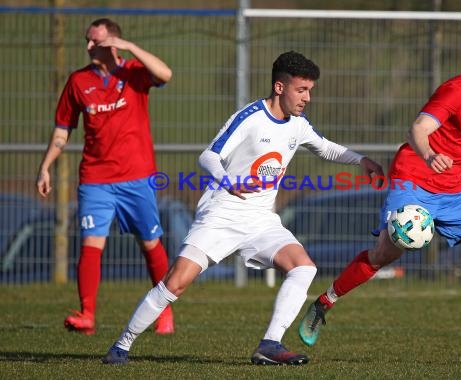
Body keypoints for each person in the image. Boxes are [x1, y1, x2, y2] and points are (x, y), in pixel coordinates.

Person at [101, 51, 384, 365]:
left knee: (304, 267)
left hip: (260, 220)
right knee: (176, 282)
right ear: (280, 87)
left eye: (310, 91)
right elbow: (208, 156)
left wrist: (361, 160)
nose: (307, 98)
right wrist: (226, 182)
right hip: (222, 213)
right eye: (301, 90)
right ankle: (120, 347)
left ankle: (271, 344)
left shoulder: (298, 124)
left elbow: (325, 147)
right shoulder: (250, 117)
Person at [298, 38, 461, 366]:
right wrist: (429, 155)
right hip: (415, 178)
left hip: (454, 190)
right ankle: (324, 303)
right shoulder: (456, 90)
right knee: (385, 253)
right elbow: (418, 129)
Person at [36, 18, 175, 335]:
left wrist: (132, 49)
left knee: (149, 242)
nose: (87, 47)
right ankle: (86, 315)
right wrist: (45, 166)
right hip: (95, 179)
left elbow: (165, 74)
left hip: (137, 177)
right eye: (87, 41)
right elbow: (62, 129)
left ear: (112, 44)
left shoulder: (134, 74)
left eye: (94, 42)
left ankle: (164, 309)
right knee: (90, 244)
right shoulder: (78, 82)